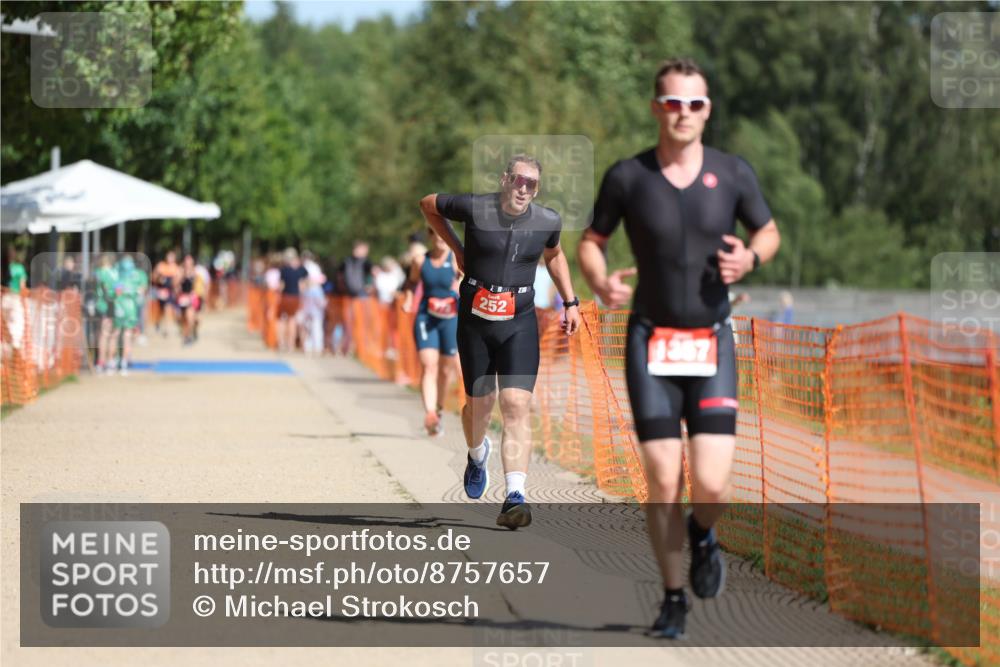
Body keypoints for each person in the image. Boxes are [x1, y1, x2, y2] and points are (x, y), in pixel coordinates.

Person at [578, 58, 781, 638]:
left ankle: (703, 531)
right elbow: (593, 242)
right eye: (672, 103)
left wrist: (752, 257)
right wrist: (597, 280)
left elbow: (768, 230)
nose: (683, 113)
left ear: (707, 110)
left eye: (694, 104)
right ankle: (672, 598)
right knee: (663, 476)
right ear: (656, 108)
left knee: (713, 485)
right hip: (651, 341)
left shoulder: (733, 172)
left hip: (712, 341)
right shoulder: (628, 177)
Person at [419, 154, 581, 529]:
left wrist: (570, 301)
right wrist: (457, 249)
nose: (524, 188)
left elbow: (555, 256)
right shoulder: (474, 207)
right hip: (475, 321)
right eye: (519, 180)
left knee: (515, 405)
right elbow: (428, 205)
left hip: (519, 321)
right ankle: (477, 455)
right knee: (479, 407)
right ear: (505, 179)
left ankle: (515, 496)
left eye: (532, 184)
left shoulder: (546, 221)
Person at [403, 226, 463, 437]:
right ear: (430, 236)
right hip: (426, 318)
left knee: (445, 370)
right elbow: (411, 282)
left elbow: (469, 281)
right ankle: (429, 413)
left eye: (444, 235)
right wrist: (409, 299)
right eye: (436, 235)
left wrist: (460, 286)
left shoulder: (457, 260)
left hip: (450, 320)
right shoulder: (420, 261)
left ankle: (438, 410)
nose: (440, 239)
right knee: (429, 365)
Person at [111, 255, 146, 375]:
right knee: (125, 335)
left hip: (120, 307)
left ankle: (115, 361)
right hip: (129, 308)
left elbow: (117, 292)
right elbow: (141, 292)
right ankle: (123, 362)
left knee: (117, 335)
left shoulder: (118, 276)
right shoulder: (136, 276)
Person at [277, 248, 308, 352]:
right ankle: (290, 345)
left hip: (285, 297)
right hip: (296, 297)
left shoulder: (283, 270)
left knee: (282, 320)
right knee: (292, 320)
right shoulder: (301, 270)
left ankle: (282, 343)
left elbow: (280, 286)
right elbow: (304, 285)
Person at [93, 253, 118, 372]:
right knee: (109, 334)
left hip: (99, 305)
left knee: (101, 334)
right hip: (108, 305)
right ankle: (106, 361)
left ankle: (102, 361)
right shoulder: (109, 273)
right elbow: (112, 291)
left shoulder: (97, 273)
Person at [151, 250, 180, 336]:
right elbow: (153, 277)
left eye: (172, 257)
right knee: (160, 310)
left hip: (170, 292)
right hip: (160, 291)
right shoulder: (161, 266)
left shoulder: (176, 268)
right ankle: (157, 322)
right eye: (169, 256)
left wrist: (175, 287)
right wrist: (158, 278)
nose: (170, 259)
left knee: (168, 309)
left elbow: (177, 281)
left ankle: (167, 329)